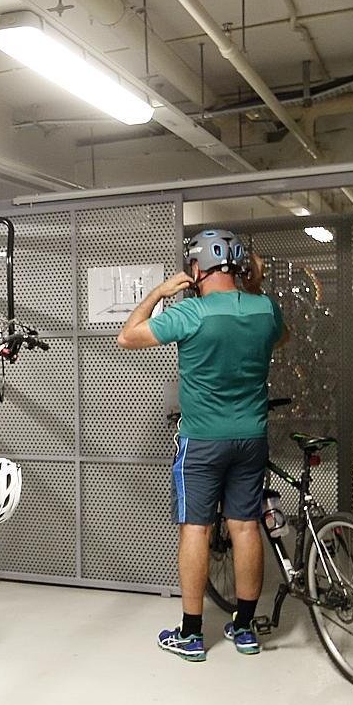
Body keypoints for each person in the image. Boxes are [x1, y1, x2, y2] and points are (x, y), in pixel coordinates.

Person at [116, 230, 287, 662]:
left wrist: (159, 292)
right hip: (251, 437)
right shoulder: (264, 308)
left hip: (203, 442)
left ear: (196, 269)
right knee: (245, 527)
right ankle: (245, 629)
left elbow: (128, 335)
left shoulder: (190, 313)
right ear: (239, 266)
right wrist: (255, 287)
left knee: (197, 528)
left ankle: (191, 635)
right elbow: (280, 337)